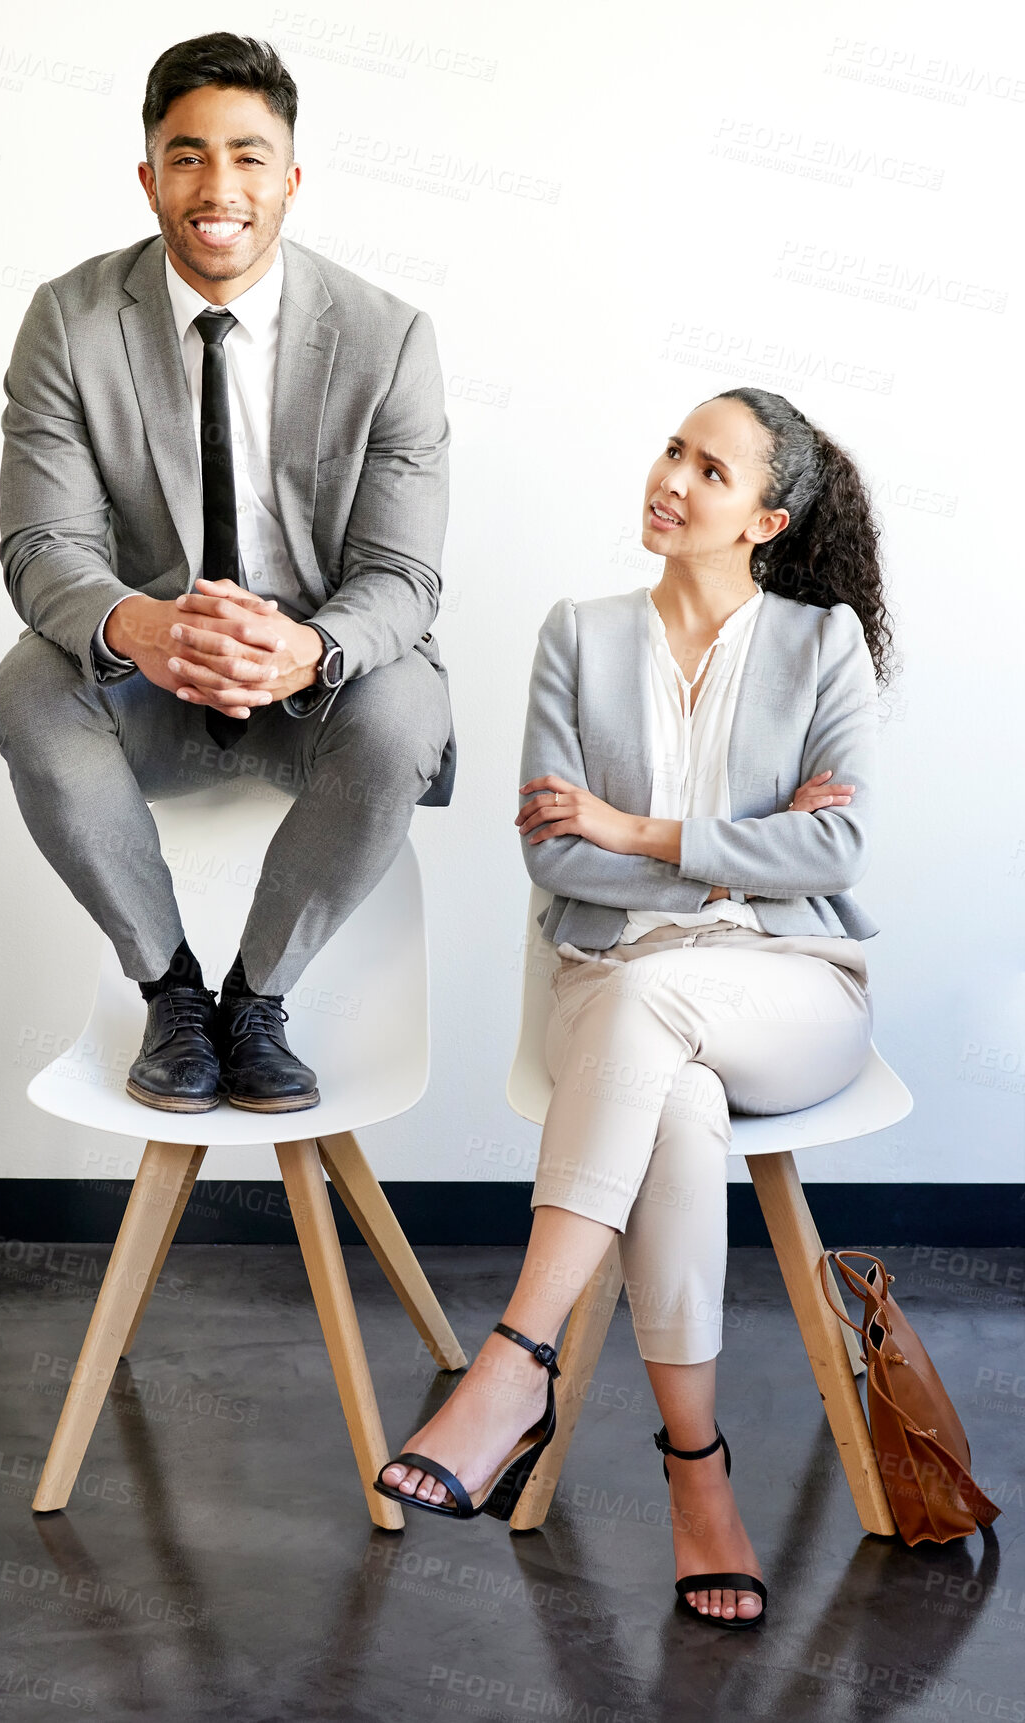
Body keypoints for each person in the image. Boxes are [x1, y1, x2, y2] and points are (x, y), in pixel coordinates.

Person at [377, 387, 897, 1631]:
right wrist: (735, 846)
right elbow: (556, 860)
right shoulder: (579, 633)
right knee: (678, 1100)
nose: (671, 477)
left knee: (663, 1006)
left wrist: (639, 829)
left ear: (763, 518)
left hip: (791, 989)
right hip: (611, 986)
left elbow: (837, 851)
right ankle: (697, 1478)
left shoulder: (819, 647)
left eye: (710, 471)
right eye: (673, 448)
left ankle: (513, 1361)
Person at [0, 34, 454, 1116]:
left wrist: (306, 647)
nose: (218, 188)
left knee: (404, 707)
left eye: (249, 157)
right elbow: (40, 547)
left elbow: (401, 574)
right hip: (145, 683)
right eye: (187, 156)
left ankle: (256, 1000)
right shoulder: (68, 319)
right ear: (148, 176)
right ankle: (172, 992)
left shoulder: (389, 340)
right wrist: (148, 631)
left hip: (315, 691)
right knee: (27, 682)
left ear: (290, 178)